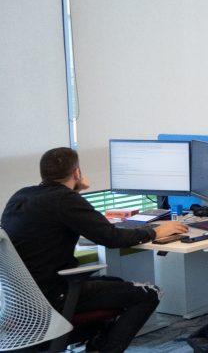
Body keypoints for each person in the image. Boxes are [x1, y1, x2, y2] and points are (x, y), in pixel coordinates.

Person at [2, 147, 188, 353]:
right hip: (56, 294)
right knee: (150, 293)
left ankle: (98, 344)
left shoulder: (21, 196)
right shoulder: (65, 200)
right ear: (77, 173)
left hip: (23, 299)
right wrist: (156, 232)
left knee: (116, 283)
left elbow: (62, 214)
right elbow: (111, 238)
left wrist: (74, 191)